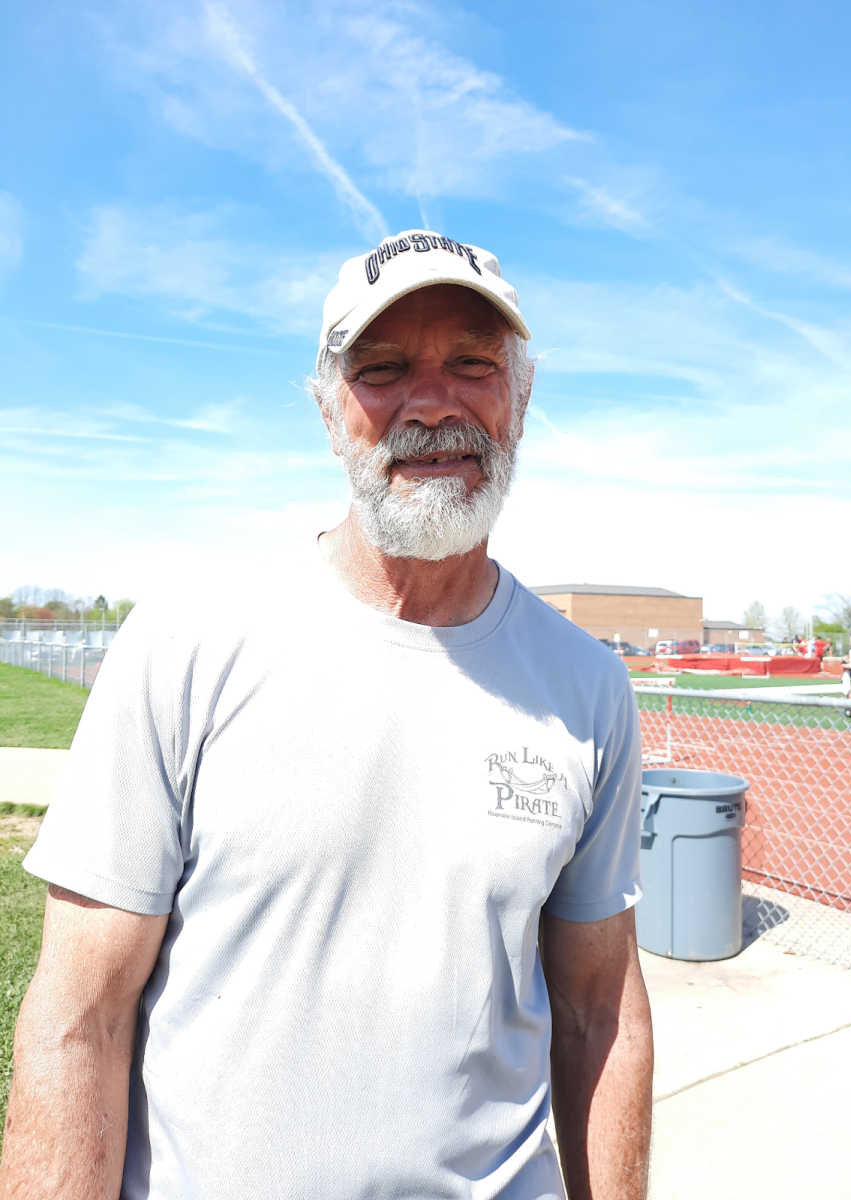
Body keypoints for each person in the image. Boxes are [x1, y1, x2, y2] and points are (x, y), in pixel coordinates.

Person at [0, 231, 653, 1200]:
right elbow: (78, 1018)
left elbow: (600, 1013)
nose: (431, 403)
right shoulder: (185, 645)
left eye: (472, 363)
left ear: (521, 398)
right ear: (324, 410)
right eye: (383, 369)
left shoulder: (587, 692)